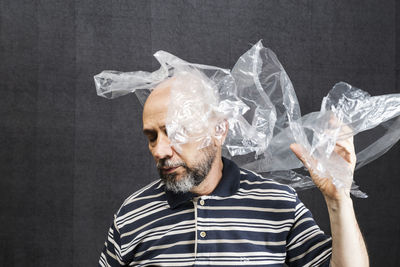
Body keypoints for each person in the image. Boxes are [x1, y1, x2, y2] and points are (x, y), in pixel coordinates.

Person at [99, 74, 369, 267]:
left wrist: (338, 200)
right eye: (152, 136)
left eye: (176, 132)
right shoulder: (131, 215)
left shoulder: (278, 204)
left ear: (219, 130)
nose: (160, 150)